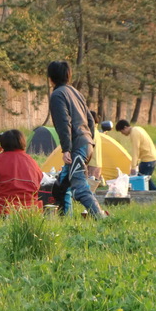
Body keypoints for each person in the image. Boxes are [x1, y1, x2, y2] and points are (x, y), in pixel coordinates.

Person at [47, 61, 106, 218]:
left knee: (79, 188)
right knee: (60, 188)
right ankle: (65, 220)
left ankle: (101, 217)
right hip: (86, 144)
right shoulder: (76, 93)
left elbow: (63, 122)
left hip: (76, 147)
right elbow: (90, 120)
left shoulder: (58, 95)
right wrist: (89, 140)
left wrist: (66, 149)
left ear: (51, 78)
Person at [0, 129, 42, 218]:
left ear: (3, 143)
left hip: (3, 211)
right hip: (29, 212)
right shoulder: (32, 162)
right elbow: (39, 182)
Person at [115, 119, 156, 190]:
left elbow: (136, 150)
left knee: (143, 179)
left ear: (125, 127)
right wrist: (137, 163)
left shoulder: (134, 133)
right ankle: (152, 195)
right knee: (145, 179)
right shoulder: (138, 129)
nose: (122, 133)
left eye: (121, 131)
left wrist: (133, 167)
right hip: (151, 157)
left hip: (148, 159)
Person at [87, 111, 102, 181]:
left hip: (91, 163)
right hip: (98, 163)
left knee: (89, 186)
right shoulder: (97, 131)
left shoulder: (91, 132)